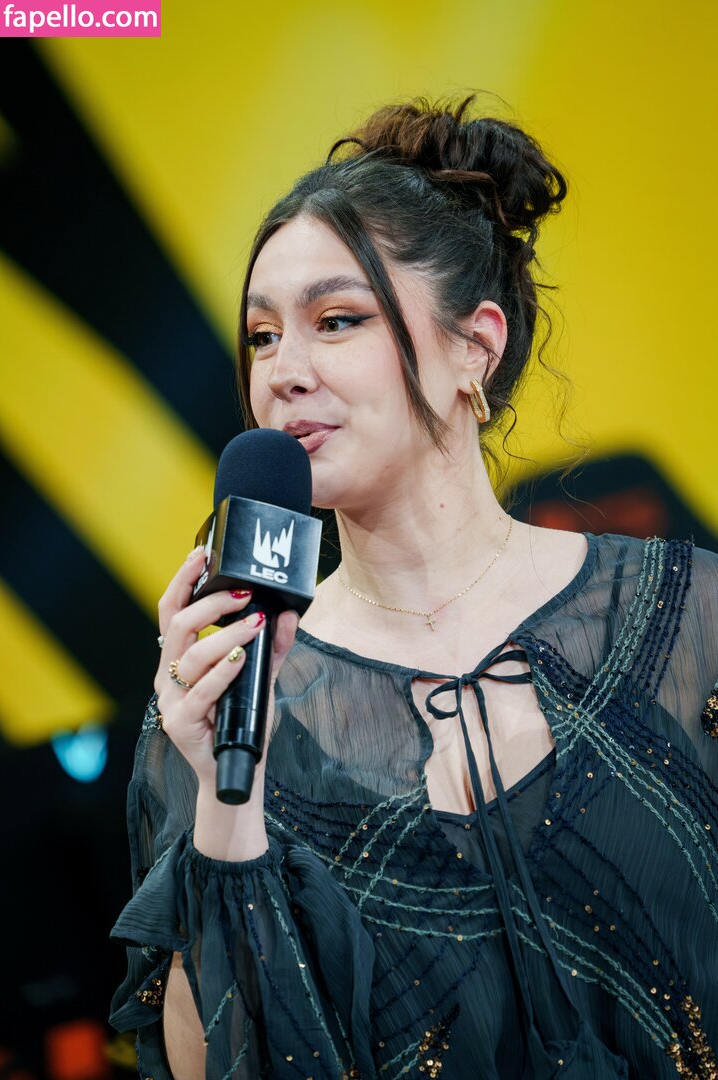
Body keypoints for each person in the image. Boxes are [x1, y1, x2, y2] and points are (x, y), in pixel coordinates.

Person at [109, 95, 718, 1079]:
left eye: (335, 321)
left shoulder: (688, 616)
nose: (282, 372)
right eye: (260, 337)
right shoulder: (225, 695)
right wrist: (225, 803)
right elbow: (211, 1060)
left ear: (474, 346)